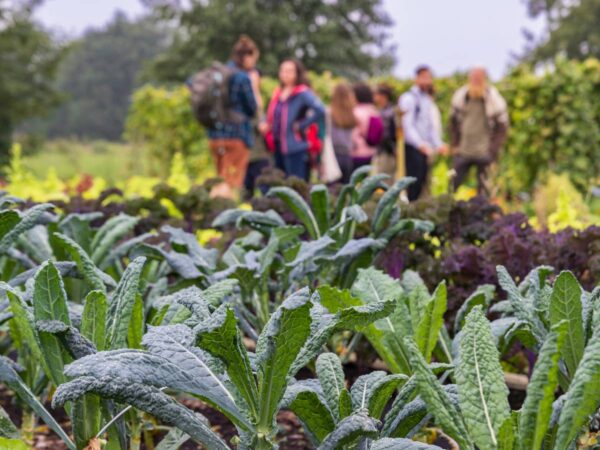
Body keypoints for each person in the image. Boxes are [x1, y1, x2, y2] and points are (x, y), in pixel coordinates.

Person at [206, 37, 257, 198]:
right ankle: (224, 217)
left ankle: (211, 213)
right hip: (237, 137)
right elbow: (252, 108)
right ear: (247, 57)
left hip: (214, 136)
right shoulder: (242, 77)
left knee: (220, 180)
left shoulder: (216, 74)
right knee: (232, 184)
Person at [449, 66, 508, 196]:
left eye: (478, 78)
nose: (475, 81)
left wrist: (492, 150)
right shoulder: (460, 97)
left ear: (484, 79)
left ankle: (482, 215)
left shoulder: (494, 100)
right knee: (453, 185)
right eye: (473, 78)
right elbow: (452, 123)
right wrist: (455, 145)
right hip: (463, 150)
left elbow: (502, 128)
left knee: (485, 190)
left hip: (484, 152)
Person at [263, 59, 325, 181]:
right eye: (283, 71)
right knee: (280, 182)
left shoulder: (302, 92)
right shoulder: (278, 93)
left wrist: (302, 125)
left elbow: (320, 110)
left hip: (296, 145)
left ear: (297, 73)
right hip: (278, 145)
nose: (285, 74)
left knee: (296, 183)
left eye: (289, 71)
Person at [399, 65, 447, 201]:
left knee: (423, 183)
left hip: (425, 149)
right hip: (412, 148)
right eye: (424, 78)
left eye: (429, 78)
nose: (427, 82)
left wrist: (437, 144)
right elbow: (407, 125)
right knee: (412, 183)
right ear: (416, 78)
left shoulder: (427, 100)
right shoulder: (408, 98)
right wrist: (420, 144)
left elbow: (431, 127)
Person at [236, 37, 270, 199]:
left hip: (245, 146)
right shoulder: (244, 81)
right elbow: (253, 112)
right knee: (261, 181)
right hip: (252, 148)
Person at [329, 83, 357, 183]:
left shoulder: (329, 113)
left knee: (331, 192)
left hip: (332, 156)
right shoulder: (351, 114)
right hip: (347, 156)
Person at [351, 82, 382, 171]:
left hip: (357, 152)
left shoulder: (356, 112)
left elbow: (353, 134)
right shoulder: (374, 110)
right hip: (370, 151)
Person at [373, 83, 397, 180]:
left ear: (383, 96)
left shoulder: (390, 112)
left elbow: (387, 134)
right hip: (381, 151)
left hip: (388, 152)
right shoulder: (380, 110)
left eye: (376, 94)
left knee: (385, 179)